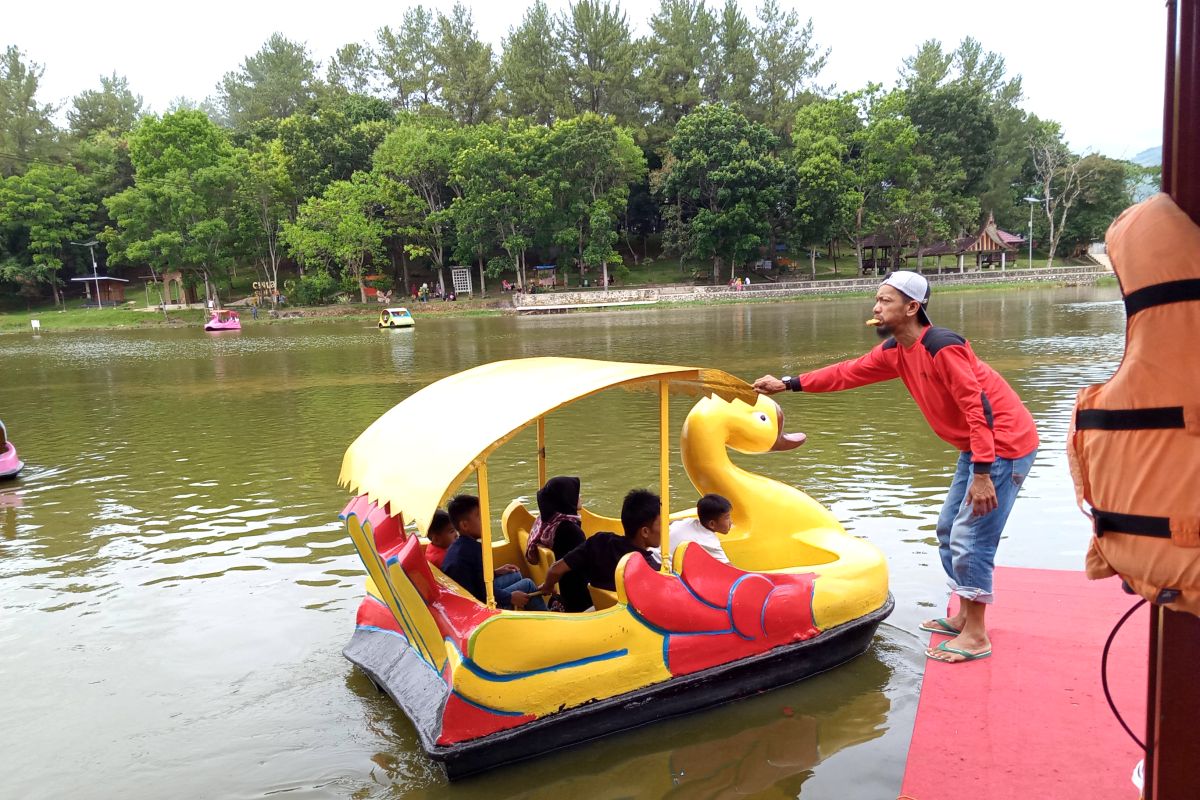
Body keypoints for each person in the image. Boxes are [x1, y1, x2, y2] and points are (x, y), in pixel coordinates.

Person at [753, 270, 1038, 665]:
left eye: (885, 300)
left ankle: (977, 635)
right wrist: (789, 383)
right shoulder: (897, 351)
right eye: (877, 299)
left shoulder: (941, 345)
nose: (876, 307)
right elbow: (846, 372)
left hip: (1002, 445)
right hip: (976, 448)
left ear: (912, 307)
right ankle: (964, 617)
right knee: (947, 529)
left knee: (971, 535)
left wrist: (984, 474)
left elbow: (980, 407)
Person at [539, 489, 662, 600]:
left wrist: (547, 587)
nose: (665, 529)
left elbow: (555, 570)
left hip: (593, 612)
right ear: (645, 531)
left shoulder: (599, 541)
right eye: (661, 523)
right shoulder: (652, 569)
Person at [441, 495, 548, 611]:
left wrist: (496, 572)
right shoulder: (473, 549)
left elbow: (474, 578)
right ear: (464, 525)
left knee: (515, 574)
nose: (486, 520)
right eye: (479, 517)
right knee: (528, 585)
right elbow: (483, 592)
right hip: (478, 604)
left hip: (471, 594)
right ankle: (548, 619)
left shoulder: (458, 546)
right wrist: (510, 597)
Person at [526, 476, 590, 612]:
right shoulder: (570, 531)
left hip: (566, 590)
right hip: (580, 599)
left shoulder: (549, 523)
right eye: (575, 494)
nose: (579, 496)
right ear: (565, 499)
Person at [668, 493, 733, 565]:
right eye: (727, 518)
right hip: (661, 567)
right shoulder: (709, 541)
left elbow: (671, 523)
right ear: (712, 524)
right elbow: (729, 568)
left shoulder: (687, 521)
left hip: (654, 556)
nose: (731, 522)